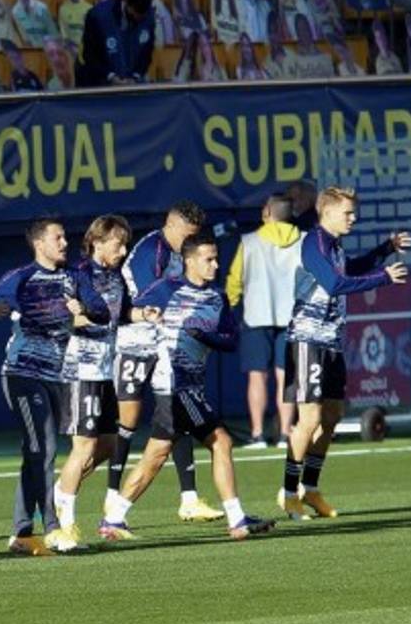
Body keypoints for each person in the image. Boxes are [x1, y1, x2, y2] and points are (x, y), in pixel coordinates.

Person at [99, 233, 276, 541]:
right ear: (189, 261)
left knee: (157, 453)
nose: (215, 264)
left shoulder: (217, 297)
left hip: (191, 388)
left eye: (216, 257)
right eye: (209, 259)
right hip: (172, 385)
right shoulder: (165, 289)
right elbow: (124, 313)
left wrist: (205, 337)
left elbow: (231, 340)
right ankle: (237, 519)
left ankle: (114, 519)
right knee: (220, 442)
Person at [280, 188, 410, 520]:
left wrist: (386, 249)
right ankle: (288, 492)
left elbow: (350, 269)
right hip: (307, 340)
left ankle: (310, 489)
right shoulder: (314, 243)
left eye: (353, 213)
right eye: (348, 213)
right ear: (327, 213)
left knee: (332, 416)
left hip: (332, 342)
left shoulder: (334, 246)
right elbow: (334, 285)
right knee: (307, 421)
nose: (353, 218)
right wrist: (383, 278)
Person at [0, 218, 102, 556]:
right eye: (57, 237)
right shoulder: (21, 277)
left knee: (35, 452)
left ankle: (21, 533)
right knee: (43, 447)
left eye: (64, 236)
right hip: (21, 373)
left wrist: (84, 308)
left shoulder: (76, 277)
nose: (64, 242)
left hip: (55, 377)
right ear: (39, 244)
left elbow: (101, 311)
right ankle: (53, 528)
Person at [106, 200, 223, 521]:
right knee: (127, 419)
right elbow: (148, 297)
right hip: (133, 339)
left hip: (163, 339)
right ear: (170, 225)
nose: (190, 240)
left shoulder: (180, 253)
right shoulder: (151, 252)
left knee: (175, 409)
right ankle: (111, 495)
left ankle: (189, 499)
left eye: (195, 235)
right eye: (187, 233)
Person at [50, 216, 136, 551]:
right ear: (97, 241)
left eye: (126, 244)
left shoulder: (116, 277)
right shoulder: (77, 275)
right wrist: (83, 314)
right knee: (82, 446)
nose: (124, 250)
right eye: (118, 243)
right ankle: (65, 522)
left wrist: (150, 314)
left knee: (109, 445)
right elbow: (64, 317)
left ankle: (60, 491)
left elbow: (125, 313)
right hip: (80, 370)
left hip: (104, 370)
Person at [225, 192, 301, 448]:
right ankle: (285, 433)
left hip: (256, 316)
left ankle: (257, 433)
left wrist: (229, 306)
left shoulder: (249, 242)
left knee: (257, 378)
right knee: (286, 377)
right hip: (292, 317)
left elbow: (234, 281)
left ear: (267, 212)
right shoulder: (303, 240)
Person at [76, 0, 155, 86]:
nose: (138, 20)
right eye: (135, 14)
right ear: (127, 3)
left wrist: (135, 76)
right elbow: (89, 55)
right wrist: (110, 76)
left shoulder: (148, 18)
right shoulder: (97, 16)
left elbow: (146, 53)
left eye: (141, 16)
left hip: (129, 86)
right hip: (96, 83)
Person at [288, 13, 333, 79]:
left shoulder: (324, 56)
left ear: (310, 30)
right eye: (300, 29)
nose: (304, 32)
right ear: (297, 34)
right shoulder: (294, 60)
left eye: (306, 27)